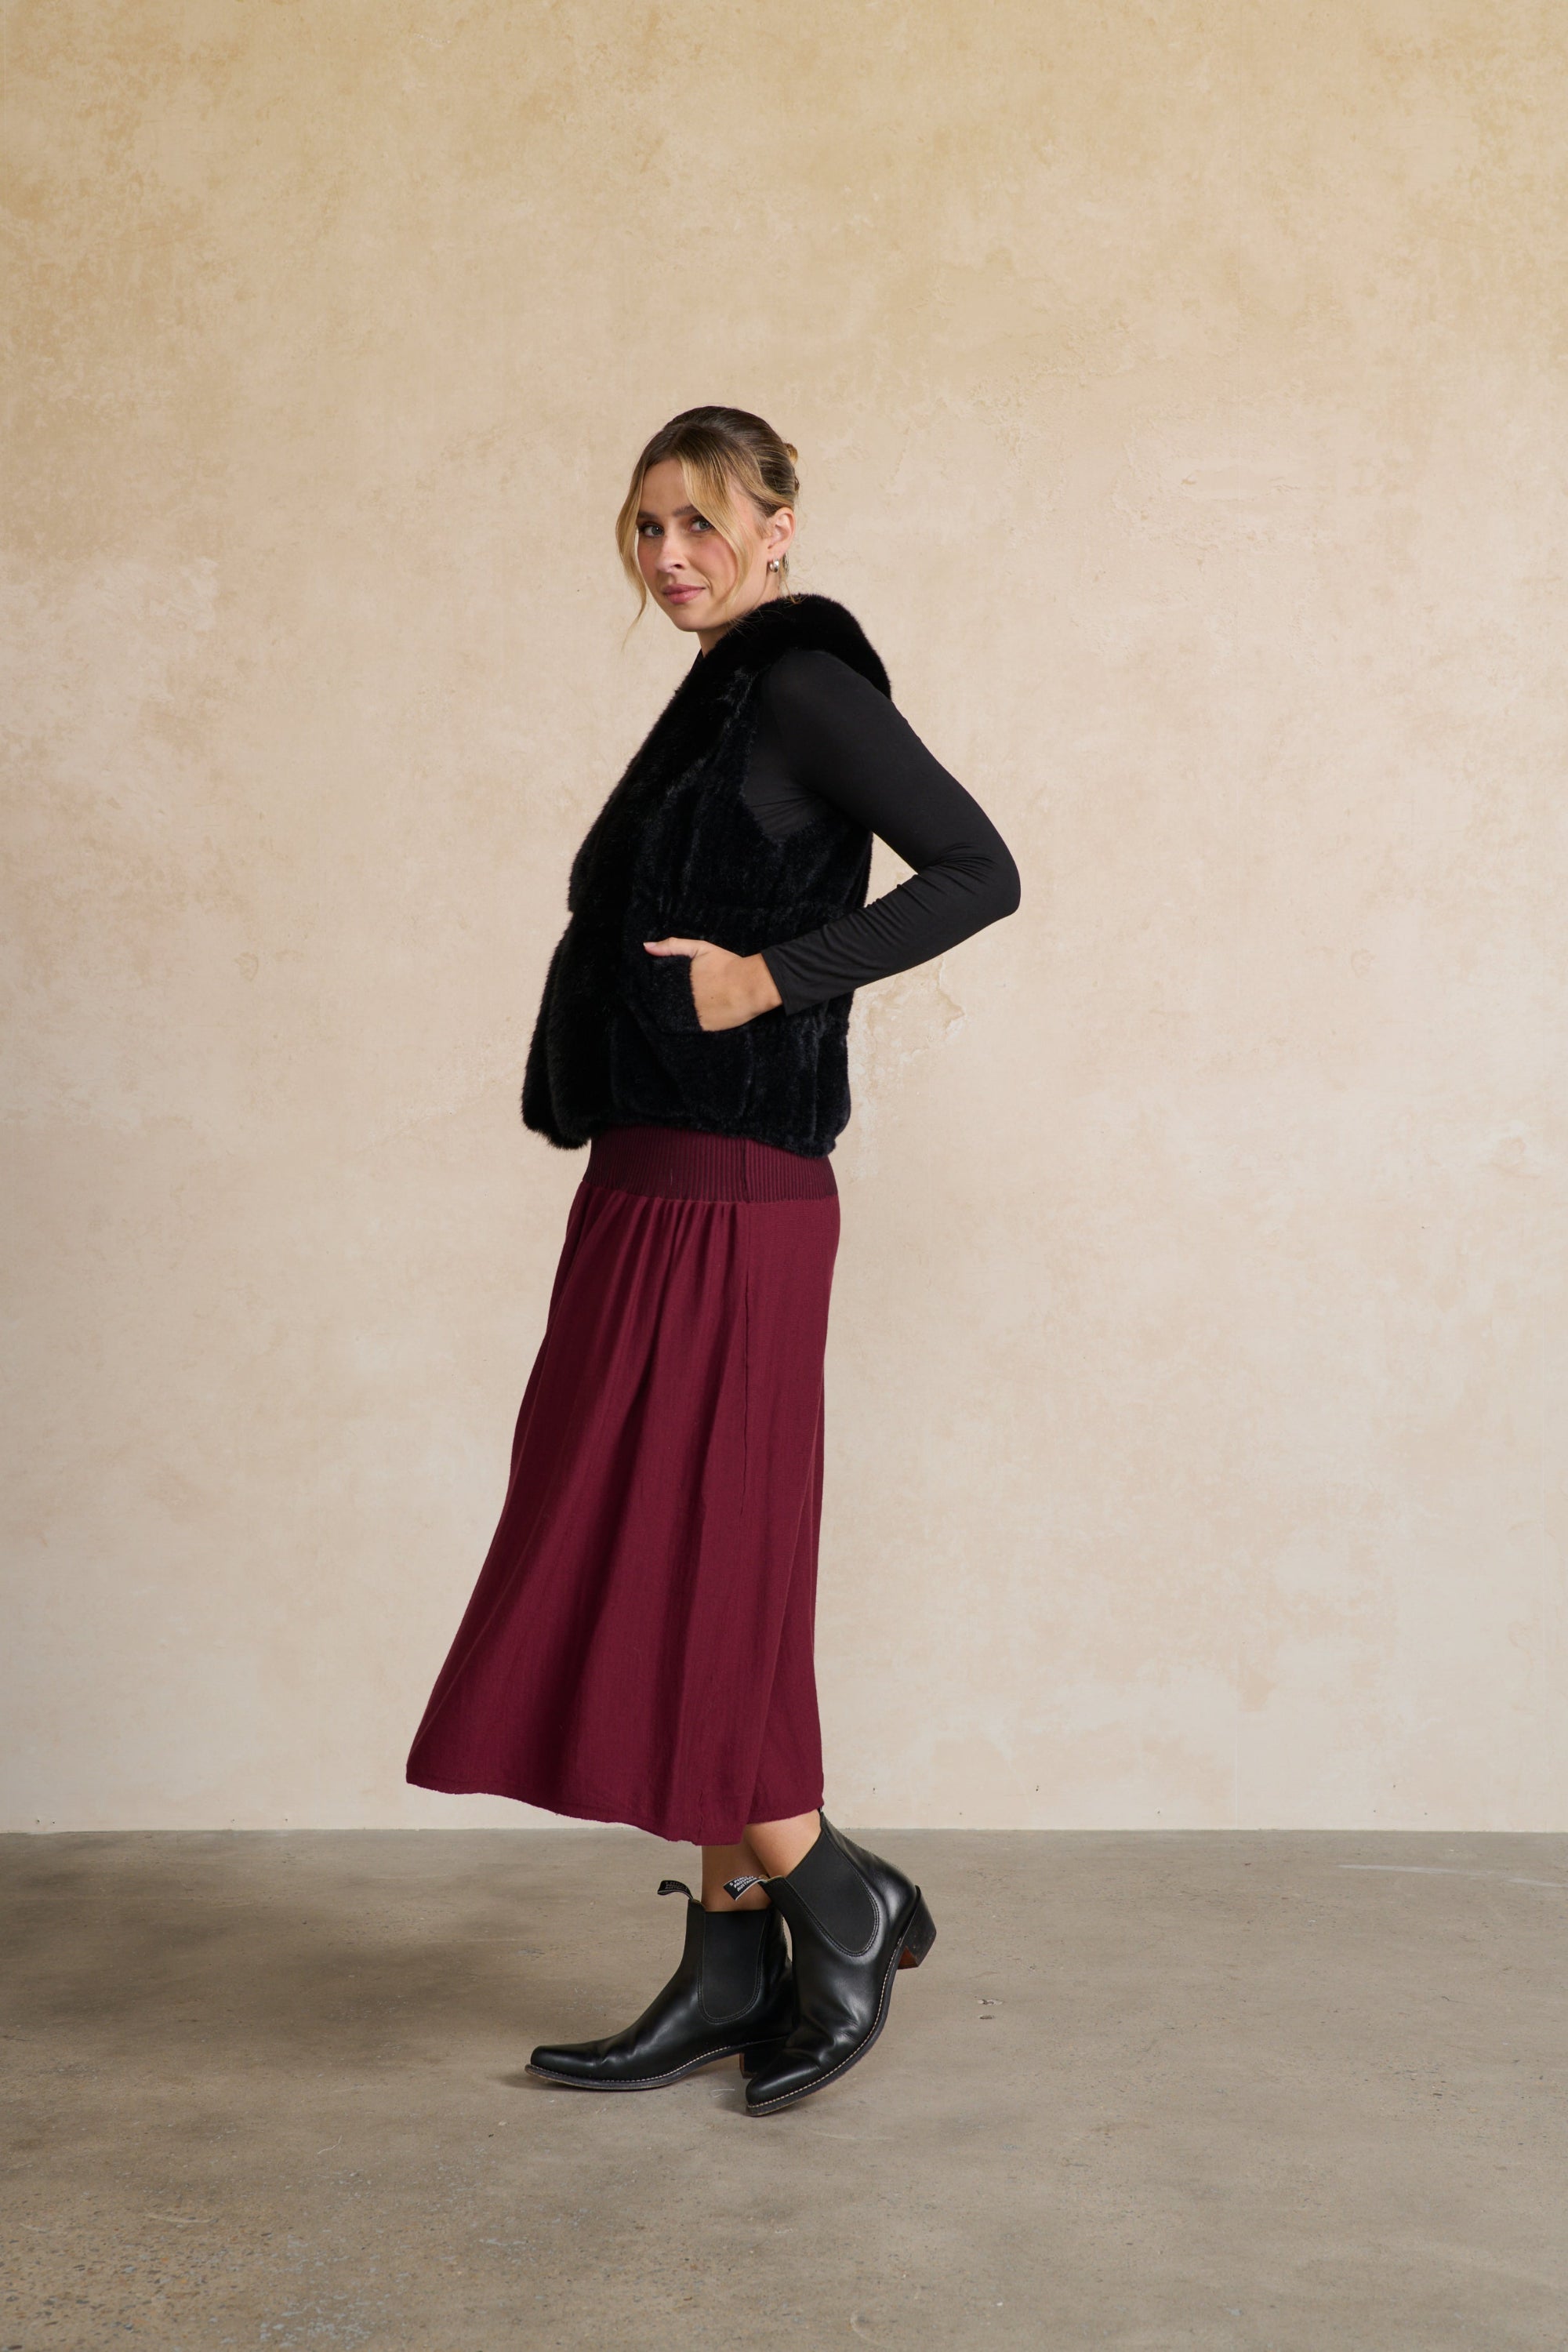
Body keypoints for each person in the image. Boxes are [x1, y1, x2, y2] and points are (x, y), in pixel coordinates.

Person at [406, 406, 1020, 2114]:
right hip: (649, 1181)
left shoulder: (808, 684)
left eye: (698, 522)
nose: (667, 555)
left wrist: (771, 978)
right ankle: (732, 1955)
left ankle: (836, 1897)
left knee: (706, 1562)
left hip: (740, 1197)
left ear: (778, 524)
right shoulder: (718, 700)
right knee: (670, 1556)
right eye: (640, 528)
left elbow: (981, 870)